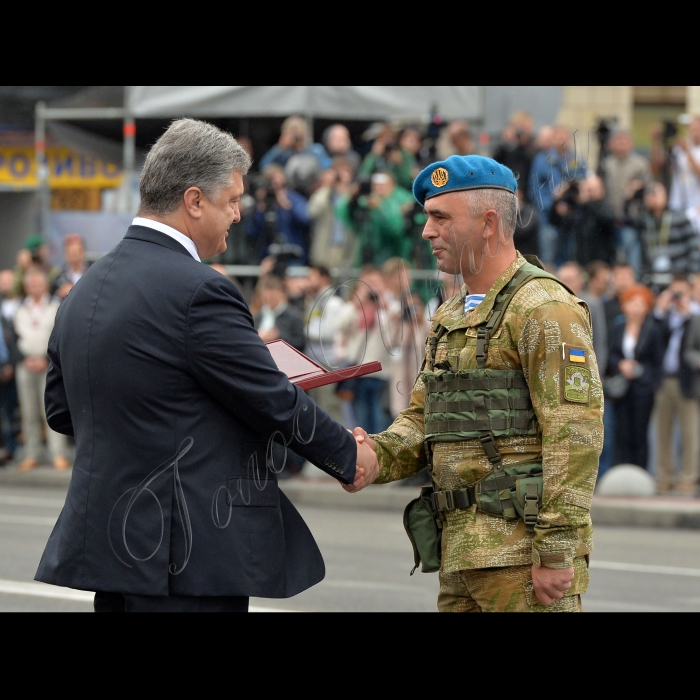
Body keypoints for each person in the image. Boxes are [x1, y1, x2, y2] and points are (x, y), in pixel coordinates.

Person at [35, 118, 377, 613]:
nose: (238, 215)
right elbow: (271, 398)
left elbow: (61, 411)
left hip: (113, 553)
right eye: (231, 201)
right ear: (194, 201)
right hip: (187, 556)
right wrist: (347, 453)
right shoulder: (201, 290)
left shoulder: (84, 287)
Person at [349, 155, 602, 612]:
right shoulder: (452, 314)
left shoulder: (543, 307)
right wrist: (372, 457)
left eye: (440, 218)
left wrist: (557, 549)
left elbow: (576, 435)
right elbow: (423, 420)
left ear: (488, 223)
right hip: (462, 556)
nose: (426, 231)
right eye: (428, 217)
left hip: (521, 561)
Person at [13, 268, 70, 472]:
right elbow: (13, 338)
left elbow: (60, 336)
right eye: (30, 284)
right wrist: (23, 358)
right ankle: (32, 452)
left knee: (51, 409)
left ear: (44, 285)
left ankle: (58, 454)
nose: (33, 287)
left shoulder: (55, 306)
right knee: (28, 412)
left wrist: (47, 359)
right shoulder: (20, 309)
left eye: (37, 283)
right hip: (25, 365)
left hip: (49, 365)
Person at [607, 284, 664, 470]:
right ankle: (622, 470)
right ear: (624, 305)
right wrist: (621, 365)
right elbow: (611, 354)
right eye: (632, 302)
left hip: (643, 388)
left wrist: (645, 375)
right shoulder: (618, 327)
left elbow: (657, 360)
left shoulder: (653, 329)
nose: (636, 307)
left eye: (641, 303)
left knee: (640, 432)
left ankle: (640, 471)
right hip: (621, 388)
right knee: (622, 432)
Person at [652, 277, 700, 494]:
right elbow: (652, 342)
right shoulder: (665, 318)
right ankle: (665, 476)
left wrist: (688, 315)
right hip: (664, 379)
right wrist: (661, 312)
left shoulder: (695, 316)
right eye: (674, 293)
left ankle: (688, 478)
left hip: (687, 382)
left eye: (682, 293)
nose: (678, 298)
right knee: (663, 431)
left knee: (690, 433)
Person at [627, 182, 700, 289]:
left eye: (655, 193)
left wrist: (690, 274)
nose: (652, 197)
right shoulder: (643, 221)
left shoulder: (680, 217)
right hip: (653, 278)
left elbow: (694, 247)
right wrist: (631, 197)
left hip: (679, 277)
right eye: (648, 194)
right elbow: (624, 219)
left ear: (665, 195)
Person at [601, 130, 652, 275]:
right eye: (618, 140)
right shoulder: (606, 164)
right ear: (611, 144)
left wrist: (638, 188)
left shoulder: (640, 164)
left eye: (625, 141)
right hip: (609, 219)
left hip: (631, 219)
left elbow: (649, 189)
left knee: (630, 252)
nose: (621, 144)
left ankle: (633, 279)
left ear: (631, 144)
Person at [336, 171, 414, 266]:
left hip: (392, 257)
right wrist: (351, 198)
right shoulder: (365, 202)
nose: (379, 188)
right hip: (366, 256)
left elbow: (397, 229)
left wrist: (380, 207)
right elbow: (342, 214)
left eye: (382, 185)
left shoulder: (400, 201)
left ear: (392, 185)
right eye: (375, 185)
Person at [250, 164, 312, 264]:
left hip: (293, 255)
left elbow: (306, 219)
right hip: (268, 257)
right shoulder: (264, 201)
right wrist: (260, 207)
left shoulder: (293, 198)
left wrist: (286, 204)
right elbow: (253, 231)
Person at [549, 175, 616, 266]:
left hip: (600, 262)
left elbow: (608, 220)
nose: (588, 193)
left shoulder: (605, 208)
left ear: (602, 191)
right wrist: (557, 199)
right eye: (586, 189)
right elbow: (555, 221)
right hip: (578, 261)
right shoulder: (578, 209)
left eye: (591, 190)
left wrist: (587, 201)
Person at [557, 262, 608, 378]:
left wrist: (599, 372)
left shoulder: (592, 304)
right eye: (563, 280)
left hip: (585, 366)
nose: (565, 284)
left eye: (570, 280)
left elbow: (600, 339)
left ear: (580, 281)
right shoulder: (551, 305)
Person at [254, 275, 305, 351]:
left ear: (282, 294)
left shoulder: (294, 316)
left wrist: (279, 337)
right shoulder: (260, 314)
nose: (270, 299)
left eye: (273, 296)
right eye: (267, 297)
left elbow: (301, 343)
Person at [493, 111, 537, 200]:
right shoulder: (507, 148)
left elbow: (531, 160)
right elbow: (496, 162)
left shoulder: (533, 145)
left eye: (525, 127)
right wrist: (506, 142)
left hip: (528, 193)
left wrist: (522, 144)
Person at [53, 234, 90, 300]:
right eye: (71, 252)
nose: (74, 255)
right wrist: (60, 293)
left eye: (77, 252)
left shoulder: (91, 272)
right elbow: (54, 297)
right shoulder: (59, 276)